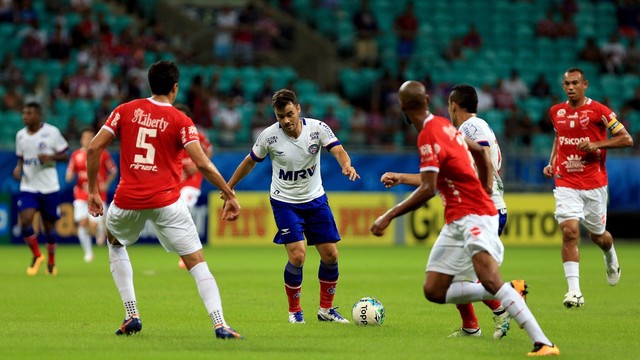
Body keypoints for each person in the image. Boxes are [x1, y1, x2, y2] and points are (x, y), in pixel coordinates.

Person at [370, 81, 559, 356]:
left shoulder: (439, 132)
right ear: (426, 101)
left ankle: (543, 342)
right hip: (457, 219)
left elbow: (429, 188)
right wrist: (483, 185)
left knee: (488, 278)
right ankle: (507, 293)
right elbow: (476, 157)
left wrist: (388, 215)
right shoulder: (445, 128)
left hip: (476, 214)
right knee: (434, 290)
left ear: (401, 107)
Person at [86, 60, 243, 339]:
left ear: (149, 84)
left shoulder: (124, 110)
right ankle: (220, 324)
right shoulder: (181, 120)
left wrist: (93, 192)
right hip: (167, 202)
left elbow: (94, 147)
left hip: (127, 201)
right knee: (196, 261)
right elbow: (204, 164)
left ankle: (131, 313)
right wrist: (229, 193)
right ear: (175, 88)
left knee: (114, 242)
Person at [379, 84, 511, 339]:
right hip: (477, 209)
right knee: (455, 273)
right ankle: (472, 325)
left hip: (481, 210)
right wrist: (402, 178)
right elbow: (440, 177)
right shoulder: (473, 128)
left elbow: (478, 161)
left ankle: (502, 306)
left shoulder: (470, 127)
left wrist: (483, 189)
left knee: (465, 276)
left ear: (453, 105)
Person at [225, 89, 360, 324]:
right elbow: (249, 162)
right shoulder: (269, 136)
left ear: (298, 109)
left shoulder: (317, 128)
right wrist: (229, 188)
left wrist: (346, 165)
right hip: (285, 202)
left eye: (289, 114)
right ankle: (295, 312)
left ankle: (325, 310)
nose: (285, 121)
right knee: (297, 256)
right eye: (280, 116)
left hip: (316, 199)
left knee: (330, 255)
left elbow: (338, 150)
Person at [543, 68, 633, 308]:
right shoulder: (555, 112)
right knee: (570, 231)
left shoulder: (599, 111)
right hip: (566, 181)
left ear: (585, 84)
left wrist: (596, 144)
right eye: (566, 84)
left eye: (575, 83)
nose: (570, 87)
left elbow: (627, 139)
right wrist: (552, 162)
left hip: (594, 183)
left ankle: (610, 255)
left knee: (598, 236)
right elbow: (558, 138)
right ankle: (574, 292)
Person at [13, 102, 69, 276]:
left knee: (48, 227)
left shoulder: (51, 132)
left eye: (28, 113)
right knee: (25, 219)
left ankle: (51, 260)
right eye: (23, 113)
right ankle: (37, 256)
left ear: (38, 115)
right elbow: (21, 158)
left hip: (49, 187)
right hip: (29, 186)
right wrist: (18, 167)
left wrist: (51, 156)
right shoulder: (20, 136)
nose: (24, 116)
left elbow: (65, 154)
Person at [66, 127, 117, 262]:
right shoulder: (76, 155)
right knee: (82, 223)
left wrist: (106, 183)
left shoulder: (102, 153)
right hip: (81, 193)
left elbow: (113, 170)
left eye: (90, 137)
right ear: (81, 140)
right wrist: (69, 176)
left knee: (93, 226)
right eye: (85, 138)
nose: (87, 140)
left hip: (98, 194)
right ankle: (88, 253)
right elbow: (70, 172)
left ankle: (101, 228)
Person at [175, 103, 214, 269]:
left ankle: (188, 253)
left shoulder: (196, 134)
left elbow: (209, 149)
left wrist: (199, 165)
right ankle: (190, 251)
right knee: (178, 215)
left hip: (192, 182)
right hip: (175, 182)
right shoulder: (168, 135)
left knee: (185, 209)